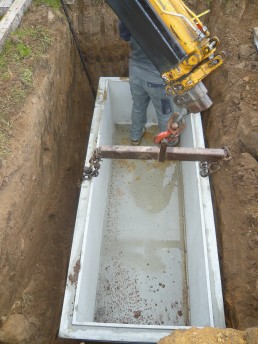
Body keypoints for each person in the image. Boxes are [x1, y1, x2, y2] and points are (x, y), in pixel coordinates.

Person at [119, 21, 180, 146]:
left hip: (136, 73)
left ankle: (135, 137)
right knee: (165, 114)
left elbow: (125, 36)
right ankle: (170, 142)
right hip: (157, 80)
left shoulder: (130, 12)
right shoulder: (165, 15)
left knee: (138, 106)